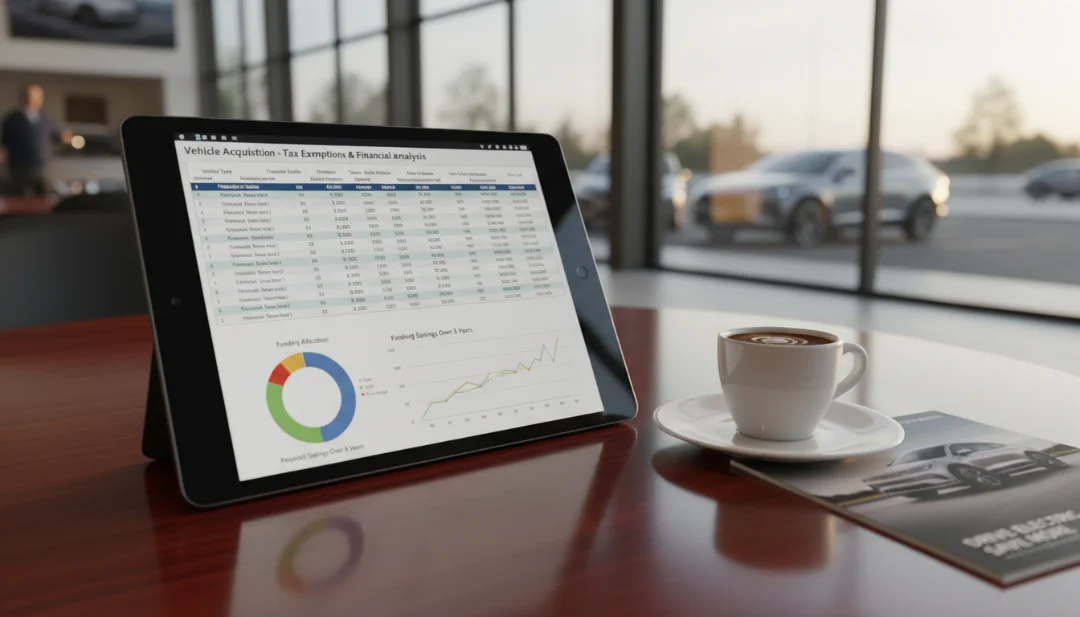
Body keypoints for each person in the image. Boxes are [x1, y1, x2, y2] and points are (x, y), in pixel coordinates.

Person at [0, 84, 72, 196]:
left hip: (40, 166)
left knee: (42, 195)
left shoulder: (46, 118)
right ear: (24, 97)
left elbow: (58, 136)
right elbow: (5, 142)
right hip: (19, 166)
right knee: (18, 195)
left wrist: (68, 137)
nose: (38, 99)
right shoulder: (13, 119)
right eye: (34, 96)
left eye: (40, 96)